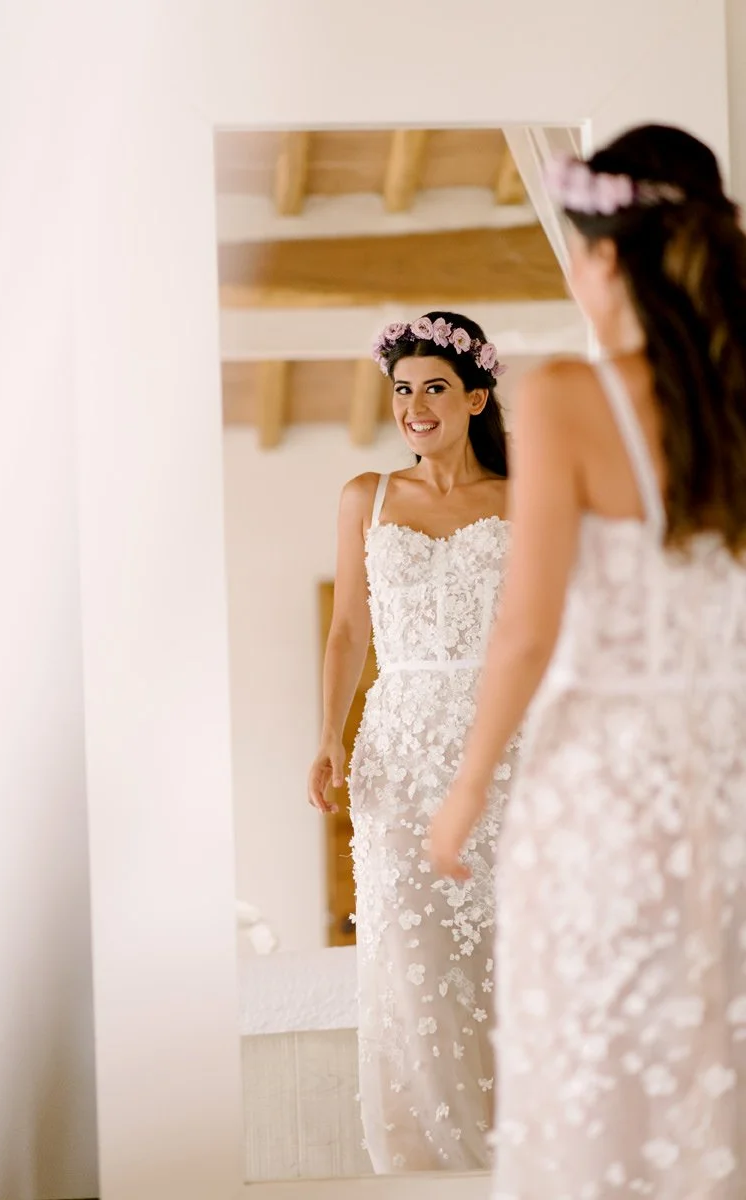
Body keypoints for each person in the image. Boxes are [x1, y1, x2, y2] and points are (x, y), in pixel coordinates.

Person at [430, 125, 746, 1197]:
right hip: (729, 771)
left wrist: (462, 794)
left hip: (605, 783)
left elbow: (523, 632)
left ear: (605, 256)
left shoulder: (568, 394)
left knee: (594, 1061)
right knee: (715, 1058)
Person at [307, 312, 517, 1173]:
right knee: (411, 958)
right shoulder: (367, 495)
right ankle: (433, 1170)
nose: (415, 406)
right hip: (397, 745)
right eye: (402, 390)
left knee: (506, 953)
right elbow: (348, 630)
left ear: (475, 397)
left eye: (435, 387)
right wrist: (327, 736)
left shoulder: (521, 497)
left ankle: (522, 1160)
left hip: (502, 747)